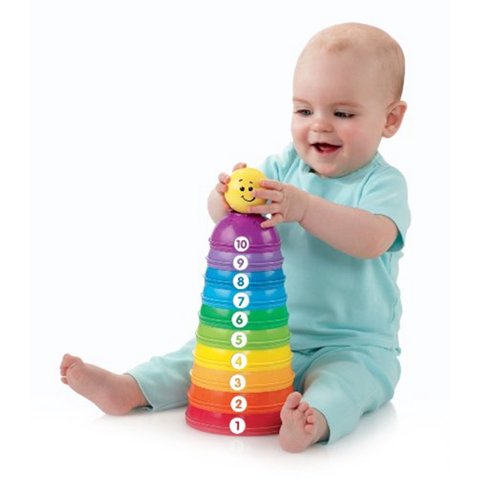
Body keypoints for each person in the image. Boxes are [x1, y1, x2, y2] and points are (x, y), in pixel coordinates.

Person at [60, 22, 410, 453]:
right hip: (267, 332)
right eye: (304, 111)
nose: (319, 126)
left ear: (390, 119)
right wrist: (224, 200)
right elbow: (226, 220)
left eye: (342, 114)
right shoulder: (282, 169)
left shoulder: (382, 184)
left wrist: (305, 209)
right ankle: (130, 389)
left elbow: (373, 238)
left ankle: (311, 420)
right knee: (197, 357)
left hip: (353, 345)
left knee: (345, 383)